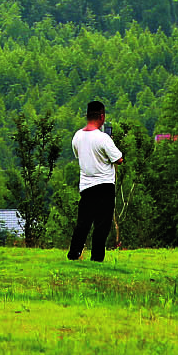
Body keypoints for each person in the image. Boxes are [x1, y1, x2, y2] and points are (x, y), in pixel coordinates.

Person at [66, 100, 123, 262]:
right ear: (102, 117)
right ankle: (97, 257)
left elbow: (78, 155)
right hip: (104, 185)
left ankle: (74, 253)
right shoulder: (103, 138)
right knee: (102, 224)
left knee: (83, 222)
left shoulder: (77, 136)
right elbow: (118, 159)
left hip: (86, 185)